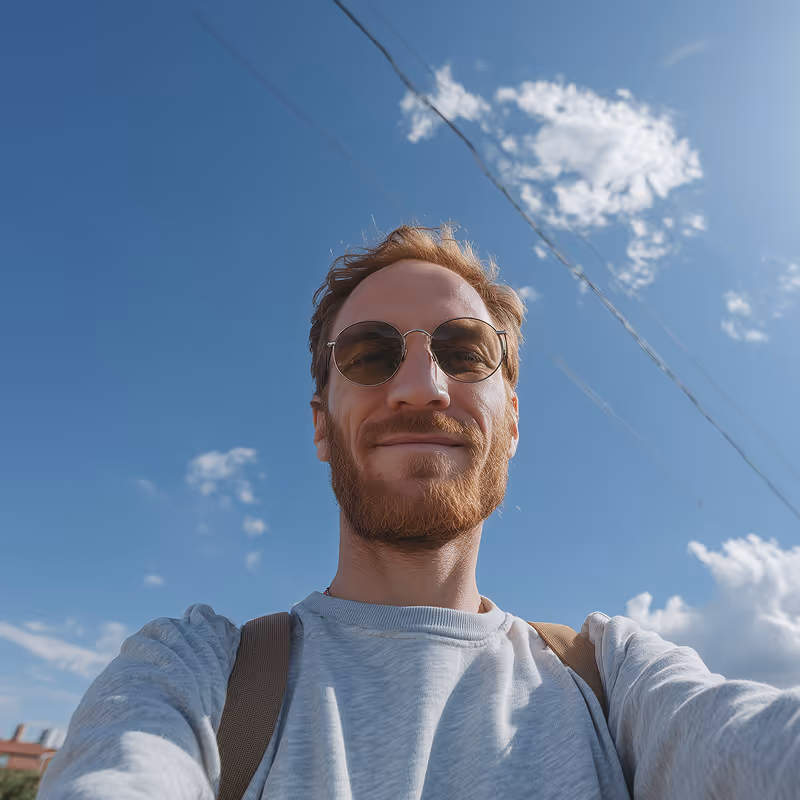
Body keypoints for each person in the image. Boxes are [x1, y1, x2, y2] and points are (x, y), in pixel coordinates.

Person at [39, 225, 800, 800]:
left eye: (464, 351)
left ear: (511, 421)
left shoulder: (617, 679)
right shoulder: (189, 673)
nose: (420, 385)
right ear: (318, 425)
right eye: (369, 355)